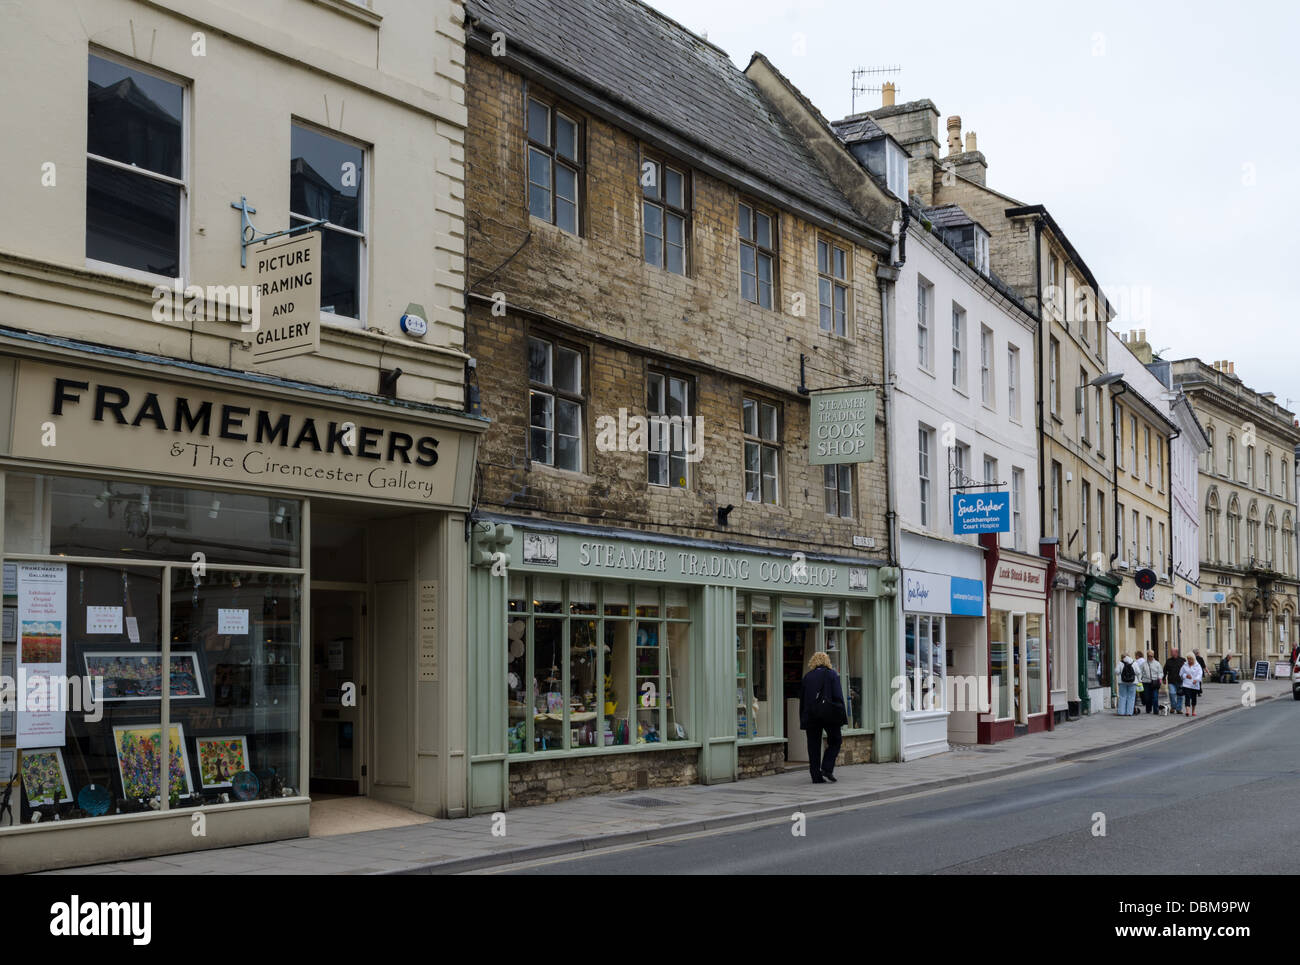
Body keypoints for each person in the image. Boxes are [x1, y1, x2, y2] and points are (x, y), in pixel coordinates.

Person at [799, 651, 846, 783]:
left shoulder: (807, 677)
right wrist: (841, 713)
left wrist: (803, 718)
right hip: (829, 714)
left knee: (813, 746)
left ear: (813, 662)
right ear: (827, 661)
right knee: (836, 741)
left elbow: (802, 700)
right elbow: (838, 696)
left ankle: (816, 776)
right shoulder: (832, 675)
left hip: (811, 715)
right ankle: (826, 767)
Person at [1163, 648, 1184, 715]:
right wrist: (1164, 678)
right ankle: (1173, 707)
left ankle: (1179, 709)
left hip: (1180, 681)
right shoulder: (1168, 661)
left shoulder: (1182, 660)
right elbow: (1165, 670)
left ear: (1176, 652)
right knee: (1172, 694)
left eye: (1172, 652)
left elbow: (1186, 670)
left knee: (1180, 695)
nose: (1171, 653)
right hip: (1171, 681)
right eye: (1171, 652)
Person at [1141, 649, 1161, 713]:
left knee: (1155, 697)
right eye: (1149, 656)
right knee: (1147, 697)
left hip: (1155, 682)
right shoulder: (1143, 664)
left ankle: (1156, 710)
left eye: (1151, 656)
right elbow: (1140, 672)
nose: (1150, 657)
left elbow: (1160, 672)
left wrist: (1159, 678)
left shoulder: (1157, 664)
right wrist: (1139, 680)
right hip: (1146, 682)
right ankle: (1148, 709)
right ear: (1147, 656)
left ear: (1153, 656)